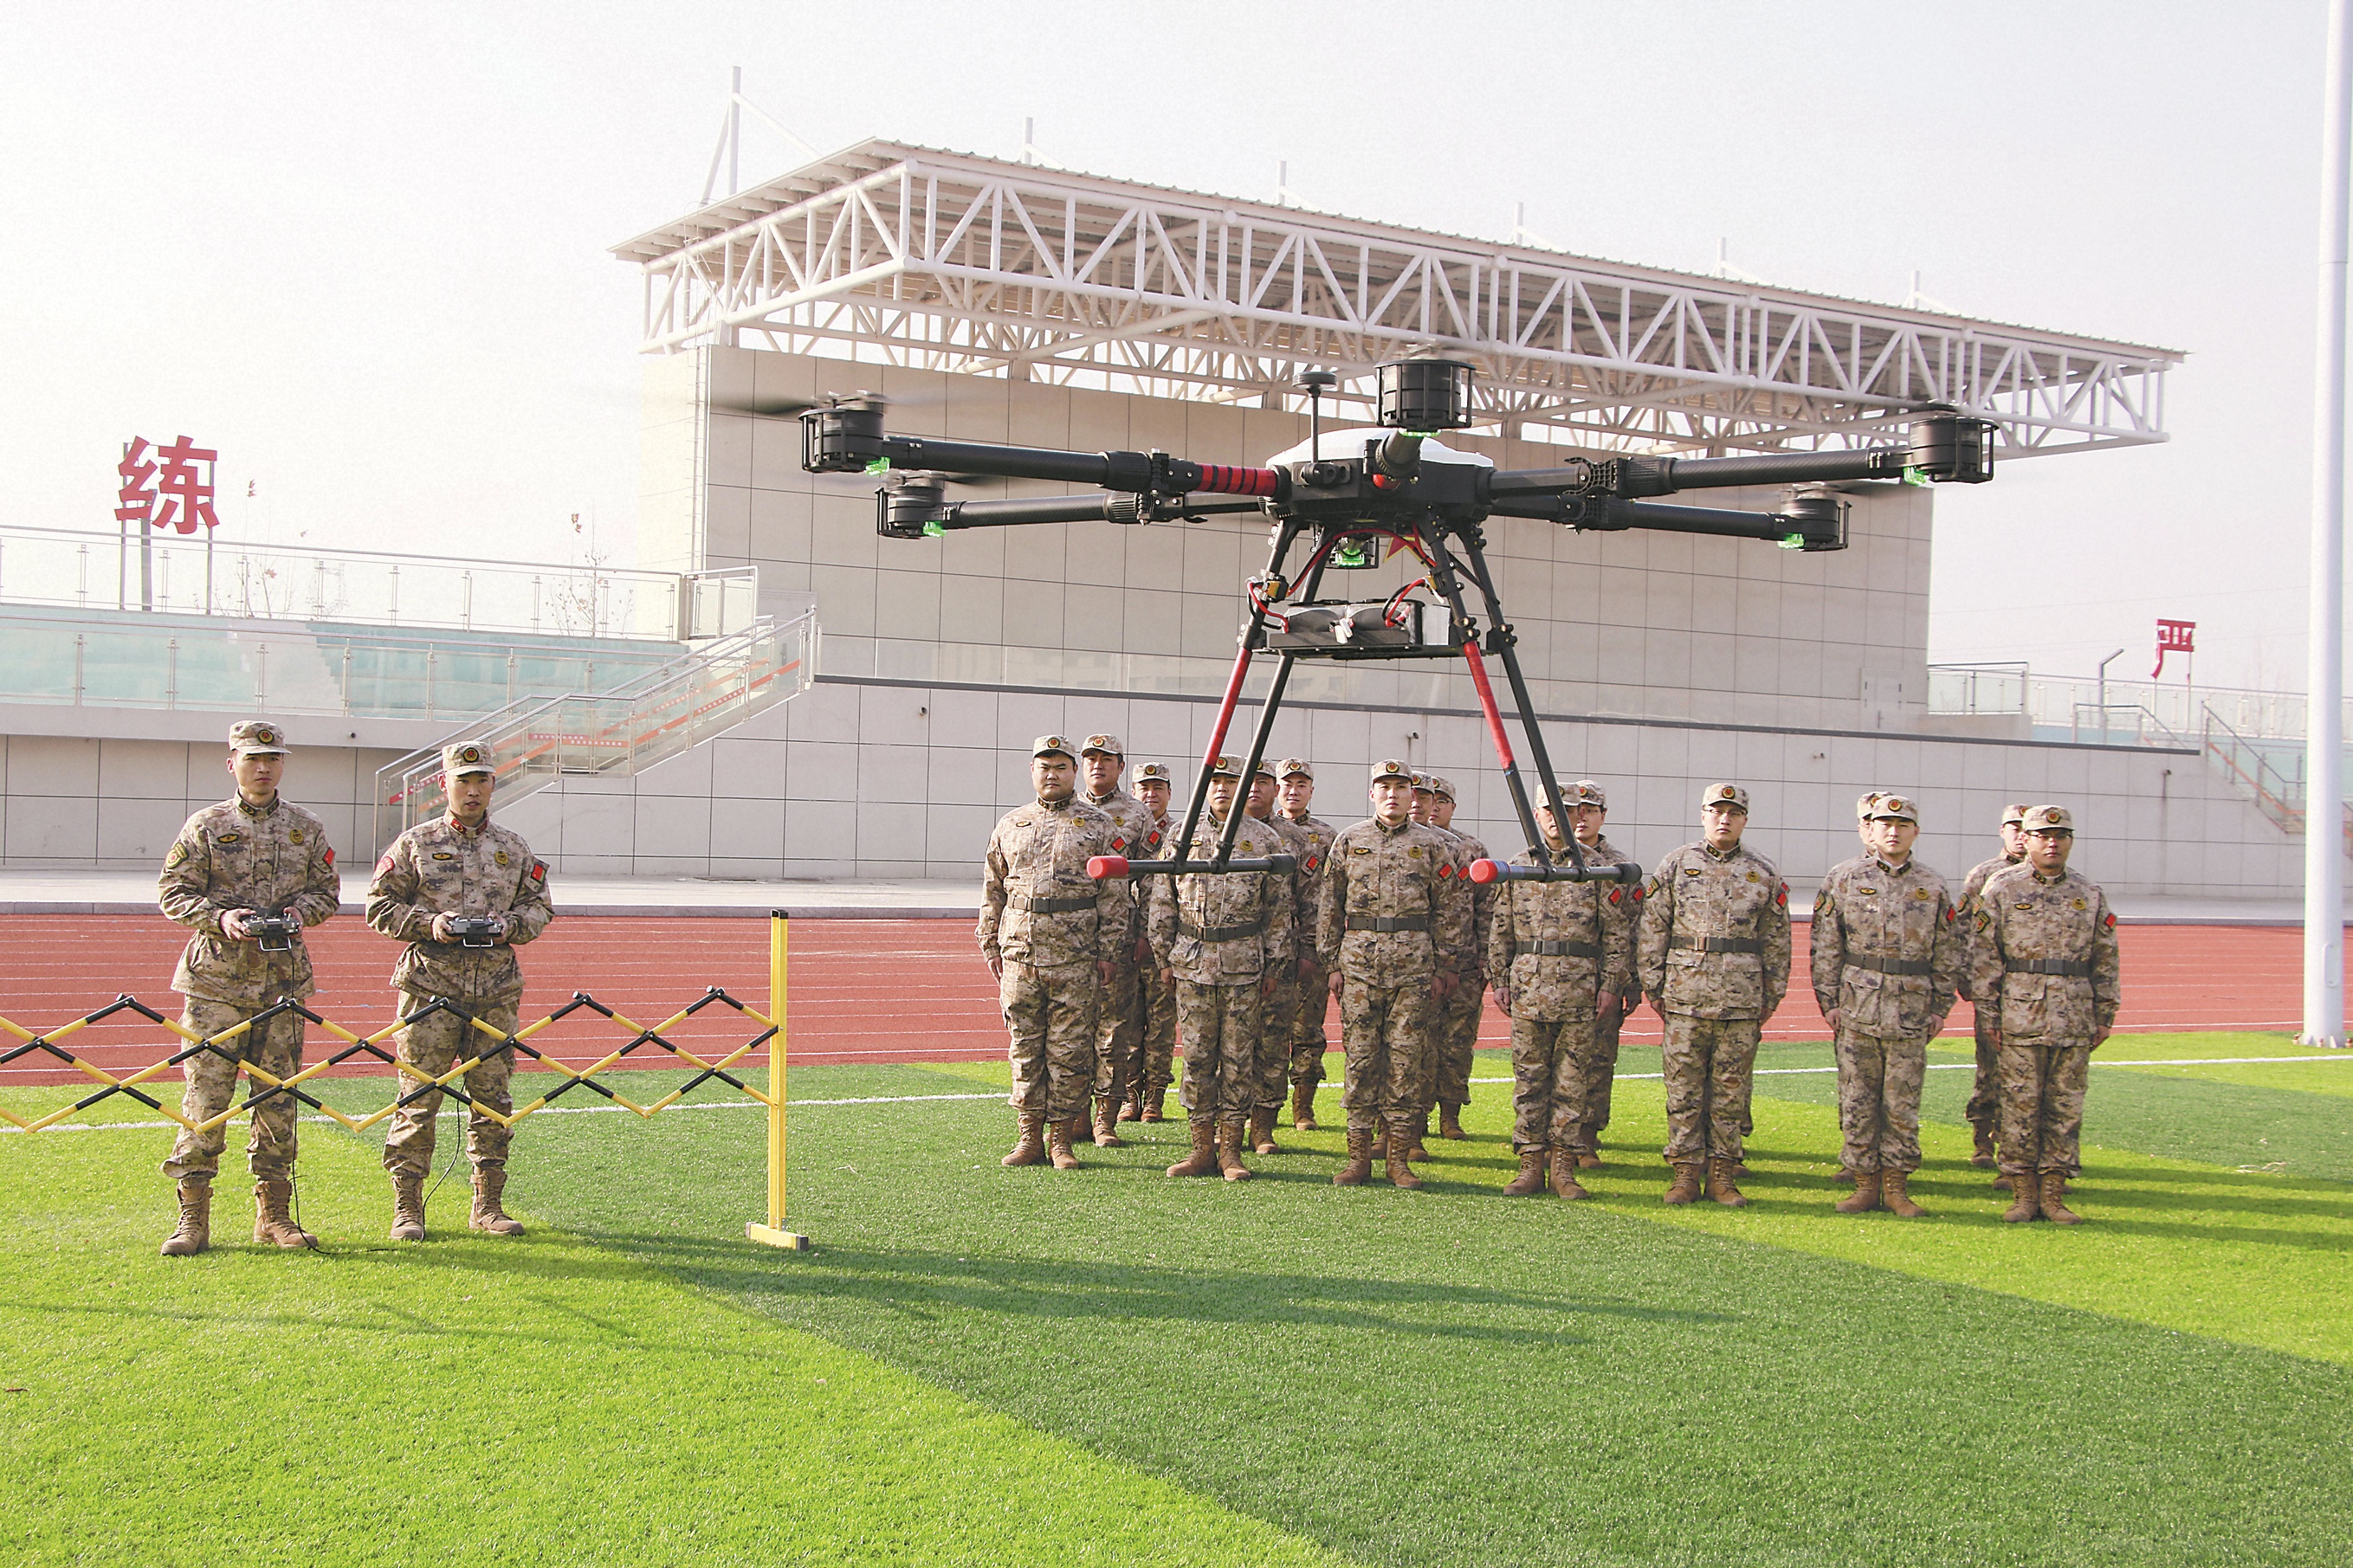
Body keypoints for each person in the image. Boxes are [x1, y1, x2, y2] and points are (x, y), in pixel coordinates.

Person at [155, 719, 342, 1256]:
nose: (263, 768)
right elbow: (173, 892)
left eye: (273, 758)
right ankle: (192, 1218)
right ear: (232, 764)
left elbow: (327, 893)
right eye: (252, 758)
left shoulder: (305, 828)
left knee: (278, 1098)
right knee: (206, 1099)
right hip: (215, 984)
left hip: (282, 983)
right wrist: (221, 918)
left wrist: (298, 913)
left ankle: (274, 1216)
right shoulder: (207, 825)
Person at [366, 741, 555, 1240]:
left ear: (493, 784)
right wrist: (431, 924)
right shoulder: (415, 844)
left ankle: (488, 1204)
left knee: (492, 1099)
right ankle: (408, 1206)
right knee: (418, 1095)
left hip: (494, 991)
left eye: (481, 781)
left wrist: (508, 925)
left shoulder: (513, 847)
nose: (472, 791)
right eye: (462, 781)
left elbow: (539, 908)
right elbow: (379, 908)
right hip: (429, 988)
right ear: (443, 784)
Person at [1634, 783, 1792, 1207]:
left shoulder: (1763, 871)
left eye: (1733, 813)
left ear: (1744, 819)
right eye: (1717, 811)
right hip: (1684, 997)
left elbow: (1777, 940)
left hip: (1741, 1000)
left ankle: (1722, 1175)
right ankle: (1685, 1174)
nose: (1725, 819)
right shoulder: (1676, 864)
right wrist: (1655, 985)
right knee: (1683, 1090)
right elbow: (1654, 927)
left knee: (1730, 1093)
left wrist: (1771, 996)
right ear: (1703, 815)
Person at [1318, 760, 1472, 1189]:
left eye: (1400, 788)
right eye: (1383, 787)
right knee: (1360, 1061)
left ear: (1412, 796)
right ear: (1372, 794)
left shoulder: (1433, 844)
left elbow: (1450, 909)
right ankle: (1358, 1158)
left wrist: (1445, 965)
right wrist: (1331, 962)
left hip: (1413, 968)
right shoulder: (1350, 841)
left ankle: (1399, 1160)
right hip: (1359, 968)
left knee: (1406, 1063)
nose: (1392, 794)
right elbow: (1329, 904)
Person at [1809, 794, 1962, 1217]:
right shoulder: (1844, 877)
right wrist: (1828, 1001)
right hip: (1857, 1006)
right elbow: (1826, 945)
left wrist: (1940, 1007)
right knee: (1858, 1100)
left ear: (1916, 831)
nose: (1893, 832)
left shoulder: (1932, 885)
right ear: (1871, 830)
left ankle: (1896, 1187)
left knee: (1902, 1103)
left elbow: (1948, 951)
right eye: (1885, 824)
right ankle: (1864, 1185)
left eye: (1902, 825)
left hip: (1911, 1009)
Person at [976, 735, 1125, 1171]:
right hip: (1020, 954)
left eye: (1061, 767)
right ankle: (1029, 1138)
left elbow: (1114, 895)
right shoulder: (1011, 823)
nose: (1052, 774)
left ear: (1074, 772)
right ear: (1032, 771)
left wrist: (1109, 951)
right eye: (1045, 767)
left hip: (1076, 956)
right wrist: (989, 941)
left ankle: (1061, 1140)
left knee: (1070, 1051)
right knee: (1025, 1047)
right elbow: (993, 887)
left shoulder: (1099, 825)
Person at [1969, 805, 2120, 1225]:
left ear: (2070, 841)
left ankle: (2053, 1194)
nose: (2052, 843)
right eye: (2043, 835)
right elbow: (1985, 956)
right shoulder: (2002, 887)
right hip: (2019, 1016)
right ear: (2027, 839)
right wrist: (1989, 1014)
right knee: (2019, 1106)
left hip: (2074, 1016)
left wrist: (2105, 1013)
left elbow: (2105, 956)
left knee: (2064, 1109)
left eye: (2060, 835)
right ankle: (2022, 1193)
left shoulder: (2089, 893)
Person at [1146, 756, 1294, 1180]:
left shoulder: (1264, 839)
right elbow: (1163, 898)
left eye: (1232, 781)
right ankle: (1201, 1149)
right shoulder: (1182, 834)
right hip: (1191, 962)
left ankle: (1230, 1150)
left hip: (1243, 964)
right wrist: (1163, 956)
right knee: (1196, 1058)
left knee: (1238, 1058)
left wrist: (1274, 966)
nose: (1224, 788)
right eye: (1216, 781)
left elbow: (1277, 910)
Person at [1485, 784, 1638, 1198]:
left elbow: (1617, 935)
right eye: (1549, 810)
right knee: (1529, 1082)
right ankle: (1530, 1166)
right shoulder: (1519, 867)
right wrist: (1500, 980)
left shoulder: (1598, 869)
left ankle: (1564, 1170)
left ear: (1577, 816)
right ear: (1537, 814)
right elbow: (1501, 929)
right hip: (1529, 988)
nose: (1558, 818)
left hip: (1580, 991)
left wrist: (1611, 985)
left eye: (1567, 810)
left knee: (1572, 1083)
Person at [1079, 734, 1156, 1148]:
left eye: (1106, 759)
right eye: (1091, 759)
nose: (1098, 765)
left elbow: (1152, 880)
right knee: (1072, 1032)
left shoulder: (1138, 815)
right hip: (1069, 940)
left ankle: (1105, 1119)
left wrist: (1144, 933)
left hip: (1118, 938)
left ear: (1121, 767)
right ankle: (1073, 1115)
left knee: (1113, 1032)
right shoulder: (1066, 812)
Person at [1561, 781, 1638, 1168]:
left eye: (1590, 810)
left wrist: (1630, 982)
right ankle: (1553, 1139)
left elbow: (1634, 928)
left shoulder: (1618, 867)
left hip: (1601, 979)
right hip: (1555, 981)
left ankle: (1587, 1136)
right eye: (1577, 809)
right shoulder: (1549, 860)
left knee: (1598, 1061)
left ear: (1602, 816)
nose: (1582, 817)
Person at [1416, 775, 1493, 1145]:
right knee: (1415, 1043)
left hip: (1464, 963)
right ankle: (1413, 1118)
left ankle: (1450, 1115)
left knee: (1457, 1043)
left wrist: (1485, 960)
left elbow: (1487, 908)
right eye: (1421, 798)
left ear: (1451, 807)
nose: (1429, 807)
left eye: (1440, 801)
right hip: (1417, 962)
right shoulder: (1412, 847)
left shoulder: (1471, 849)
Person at [1956, 803, 2033, 1167]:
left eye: (2025, 829)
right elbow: (1962, 928)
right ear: (2002, 831)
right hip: (1994, 989)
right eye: (2013, 828)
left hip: (2034, 993)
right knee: (1989, 1066)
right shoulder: (1984, 875)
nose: (2020, 835)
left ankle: (2017, 1145)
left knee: (2027, 1073)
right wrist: (1965, 977)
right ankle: (1983, 1137)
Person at [1244, 761, 1314, 1154]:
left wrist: (1308, 951)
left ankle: (1263, 1127)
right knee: (1226, 1046)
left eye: (1263, 782)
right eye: (1249, 782)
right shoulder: (1217, 834)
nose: (1255, 788)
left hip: (1280, 957)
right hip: (1227, 955)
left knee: (1271, 1042)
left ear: (1275, 790)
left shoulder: (1295, 838)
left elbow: (1311, 900)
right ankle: (1226, 1123)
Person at [1276, 759, 1338, 1130]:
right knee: (1267, 1032)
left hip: (1312, 948)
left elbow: (1334, 897)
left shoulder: (1327, 837)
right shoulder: (1263, 831)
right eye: (1288, 784)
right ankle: (1264, 1107)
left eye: (1302, 784)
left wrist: (1320, 950)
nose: (1294, 791)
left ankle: (1303, 1106)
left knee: (1308, 1030)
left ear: (1311, 791)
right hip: (1271, 949)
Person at [1126, 761, 1180, 1122]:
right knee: (1128, 1024)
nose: (1151, 794)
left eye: (1158, 787)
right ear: (1134, 792)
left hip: (1164, 947)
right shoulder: (1123, 829)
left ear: (1169, 793)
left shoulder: (1182, 833)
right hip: (1126, 944)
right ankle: (1129, 1094)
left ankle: (1155, 1097)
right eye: (1144, 787)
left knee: (1161, 1026)